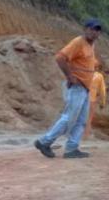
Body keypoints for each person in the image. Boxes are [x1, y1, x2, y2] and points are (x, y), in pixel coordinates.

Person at [34, 19, 103, 159]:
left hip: (85, 88)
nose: (94, 32)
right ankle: (44, 142)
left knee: (81, 120)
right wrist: (70, 76)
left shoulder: (90, 45)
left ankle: (72, 148)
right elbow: (60, 58)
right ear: (85, 29)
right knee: (69, 118)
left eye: (97, 30)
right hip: (77, 86)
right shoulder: (78, 42)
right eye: (92, 29)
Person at [86, 64, 107, 136]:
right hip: (92, 100)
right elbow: (102, 91)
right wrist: (102, 103)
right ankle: (86, 135)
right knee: (89, 119)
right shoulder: (99, 76)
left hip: (82, 98)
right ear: (97, 68)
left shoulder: (85, 74)